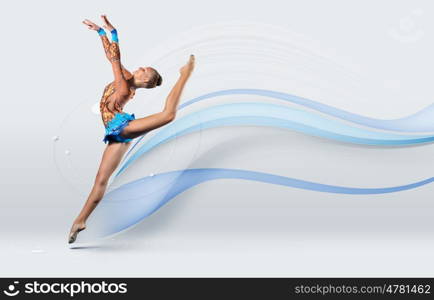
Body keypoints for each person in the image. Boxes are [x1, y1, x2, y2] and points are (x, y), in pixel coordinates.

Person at [68, 15, 195, 244]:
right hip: (116, 136)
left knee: (168, 115)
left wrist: (110, 33)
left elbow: (115, 60)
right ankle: (80, 220)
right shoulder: (126, 78)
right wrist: (101, 32)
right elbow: (112, 57)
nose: (142, 66)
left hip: (123, 128)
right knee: (100, 181)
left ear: (145, 81)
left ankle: (185, 75)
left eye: (146, 69)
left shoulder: (124, 87)